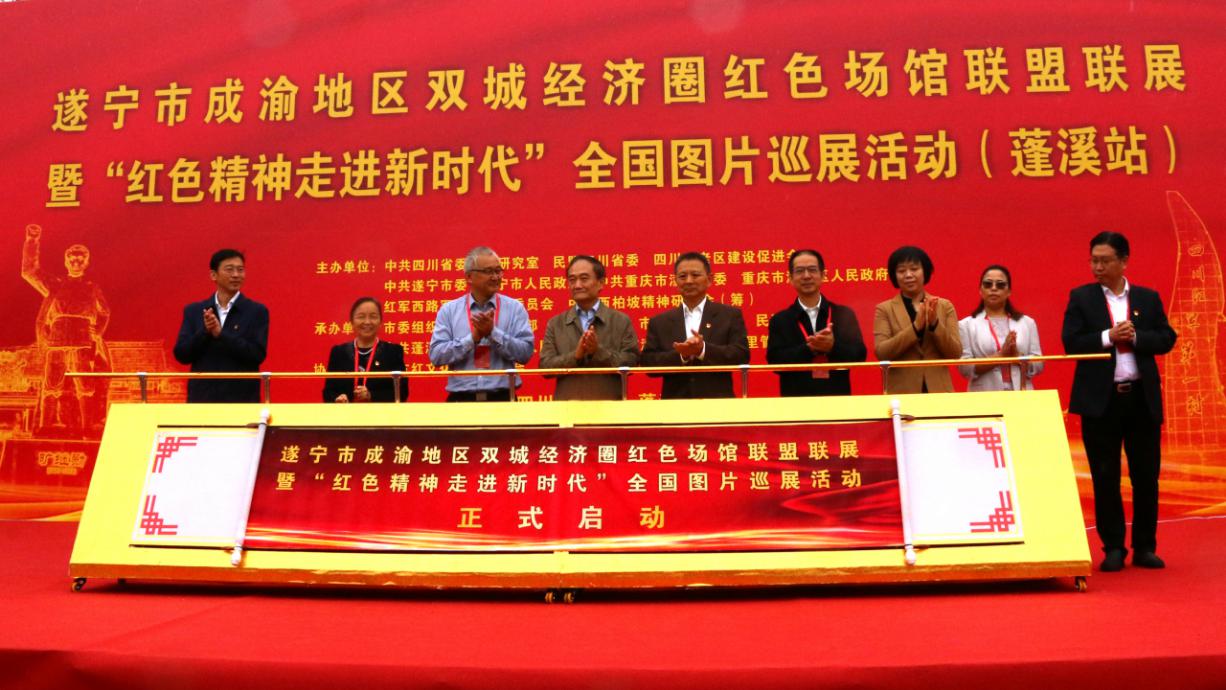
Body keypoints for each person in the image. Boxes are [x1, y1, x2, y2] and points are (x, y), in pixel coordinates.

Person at [1062, 231, 1176, 572]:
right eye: (1093, 260)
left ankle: (1145, 547)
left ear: (1123, 261)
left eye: (1104, 261)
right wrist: (1107, 337)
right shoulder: (1081, 298)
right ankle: (1113, 547)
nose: (1097, 267)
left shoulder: (1147, 298)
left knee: (1146, 476)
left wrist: (1136, 337)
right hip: (1102, 402)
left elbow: (1166, 338)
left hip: (1141, 399)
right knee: (1105, 476)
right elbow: (1071, 342)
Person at [21, 224, 111, 434]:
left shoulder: (91, 287)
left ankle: (87, 427)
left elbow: (105, 312)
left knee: (85, 385)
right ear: (66, 261)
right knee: (52, 384)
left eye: (80, 259)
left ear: (86, 262)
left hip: (82, 340)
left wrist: (97, 332)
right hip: (57, 339)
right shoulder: (56, 284)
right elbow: (29, 271)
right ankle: (46, 425)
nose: (76, 262)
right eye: (72, 258)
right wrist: (32, 241)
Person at [428, 246, 534, 402]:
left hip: (503, 400)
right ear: (469, 277)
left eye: (498, 271)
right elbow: (436, 356)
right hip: (461, 401)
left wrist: (493, 333)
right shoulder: (449, 310)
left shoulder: (514, 308)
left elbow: (525, 353)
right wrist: (472, 339)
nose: (495, 277)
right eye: (488, 271)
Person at [640, 252, 749, 399]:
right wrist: (682, 355)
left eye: (695, 275)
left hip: (719, 403)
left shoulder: (729, 315)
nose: (689, 281)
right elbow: (648, 364)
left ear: (710, 279)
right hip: (674, 404)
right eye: (682, 276)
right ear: (675, 281)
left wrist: (703, 350)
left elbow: (741, 355)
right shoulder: (660, 321)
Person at [173, 249, 269, 403]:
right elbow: (182, 355)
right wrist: (205, 332)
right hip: (202, 399)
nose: (236, 275)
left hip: (242, 400)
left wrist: (222, 334)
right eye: (229, 269)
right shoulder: (194, 310)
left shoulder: (256, 311)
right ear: (213, 275)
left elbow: (257, 354)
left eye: (240, 270)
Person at [766, 249, 866, 396]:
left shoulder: (843, 314)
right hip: (795, 400)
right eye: (800, 271)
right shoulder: (780, 320)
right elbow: (775, 363)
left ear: (823, 275)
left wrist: (832, 347)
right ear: (790, 278)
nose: (806, 276)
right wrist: (809, 349)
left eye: (812, 270)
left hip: (838, 398)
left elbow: (859, 355)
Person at [538, 255, 639, 400]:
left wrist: (598, 352)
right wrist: (575, 356)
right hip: (567, 407)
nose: (577, 285)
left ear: (601, 283)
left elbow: (632, 362)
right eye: (572, 280)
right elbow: (545, 368)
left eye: (584, 278)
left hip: (610, 406)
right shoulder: (556, 323)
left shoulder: (620, 321)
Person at [872, 245, 961, 394]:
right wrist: (915, 328)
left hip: (939, 391)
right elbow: (882, 353)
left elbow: (955, 352)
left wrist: (935, 325)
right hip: (902, 393)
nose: (908, 275)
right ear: (894, 275)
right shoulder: (884, 309)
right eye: (901, 271)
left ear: (925, 271)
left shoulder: (944, 306)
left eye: (914, 269)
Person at [958, 265, 1044, 391]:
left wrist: (1017, 356)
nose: (993, 288)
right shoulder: (966, 325)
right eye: (988, 284)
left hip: (1021, 393)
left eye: (1000, 285)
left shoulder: (1027, 323)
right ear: (980, 290)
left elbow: (1039, 365)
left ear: (1009, 291)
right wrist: (1001, 355)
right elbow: (965, 369)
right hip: (984, 395)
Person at [322, 297, 408, 403]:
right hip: (346, 412)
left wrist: (371, 395)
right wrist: (337, 398)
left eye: (373, 316)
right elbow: (328, 391)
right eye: (361, 317)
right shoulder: (339, 352)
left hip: (381, 413)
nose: (367, 322)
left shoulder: (392, 352)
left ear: (380, 322)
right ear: (352, 322)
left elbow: (402, 393)